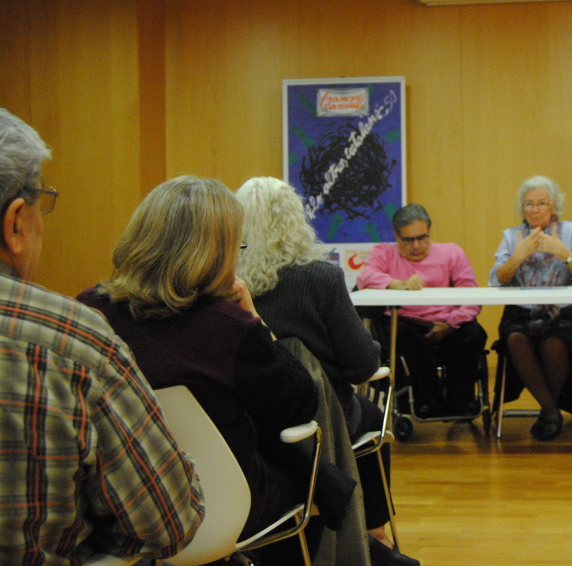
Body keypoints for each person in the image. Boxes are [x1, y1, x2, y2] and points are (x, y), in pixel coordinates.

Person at [76, 175, 327, 565]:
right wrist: (255, 318)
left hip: (114, 507)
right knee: (313, 485)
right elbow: (300, 405)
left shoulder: (87, 311)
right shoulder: (230, 327)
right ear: (216, 253)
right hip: (222, 508)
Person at [0, 108, 203, 564]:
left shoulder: (92, 306)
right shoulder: (72, 339)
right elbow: (169, 522)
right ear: (14, 223)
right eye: (41, 204)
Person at [235, 176, 418, 566]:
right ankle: (375, 529)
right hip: (321, 419)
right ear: (294, 221)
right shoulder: (322, 277)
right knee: (372, 416)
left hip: (250, 423)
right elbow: (363, 366)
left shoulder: (226, 285)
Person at [489, 175, 572, 441]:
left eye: (541, 203)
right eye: (529, 204)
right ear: (522, 208)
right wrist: (518, 255)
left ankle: (548, 412)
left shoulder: (571, 231)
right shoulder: (512, 236)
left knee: (554, 344)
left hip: (565, 311)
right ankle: (550, 411)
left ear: (554, 206)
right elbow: (497, 279)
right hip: (521, 311)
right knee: (516, 339)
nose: (535, 209)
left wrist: (562, 252)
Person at [357, 204, 487, 419]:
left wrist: (451, 323)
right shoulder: (385, 253)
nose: (416, 245)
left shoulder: (451, 252)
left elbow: (471, 295)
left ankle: (460, 401)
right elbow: (365, 277)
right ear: (397, 236)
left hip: (447, 322)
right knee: (401, 336)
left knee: (474, 334)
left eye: (422, 237)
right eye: (408, 240)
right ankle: (425, 402)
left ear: (429, 230)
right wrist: (396, 284)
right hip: (405, 323)